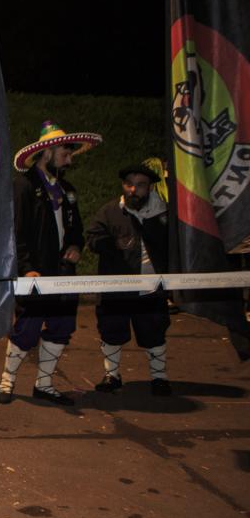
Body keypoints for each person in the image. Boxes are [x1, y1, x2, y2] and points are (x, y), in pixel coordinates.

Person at [0, 121, 102, 407]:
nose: (69, 160)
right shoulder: (24, 186)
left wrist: (75, 246)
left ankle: (44, 384)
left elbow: (76, 228)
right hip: (35, 272)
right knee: (27, 328)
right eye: (65, 154)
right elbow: (16, 232)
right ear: (47, 152)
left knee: (61, 325)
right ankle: (7, 379)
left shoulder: (67, 190)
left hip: (64, 273)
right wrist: (25, 268)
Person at [85, 164, 171, 396]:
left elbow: (176, 244)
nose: (133, 190)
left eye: (140, 185)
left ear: (150, 187)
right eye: (129, 184)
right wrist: (112, 244)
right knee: (111, 331)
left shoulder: (162, 213)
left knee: (154, 333)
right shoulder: (110, 211)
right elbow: (92, 239)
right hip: (116, 288)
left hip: (152, 288)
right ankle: (112, 375)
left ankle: (159, 378)